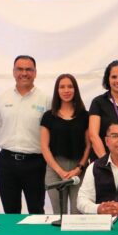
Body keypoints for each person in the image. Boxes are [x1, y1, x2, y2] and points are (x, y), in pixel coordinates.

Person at [0, 55, 50, 214]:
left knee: (36, 211)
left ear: (35, 73)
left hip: (35, 163)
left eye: (28, 69)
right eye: (20, 69)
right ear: (13, 72)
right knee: (10, 212)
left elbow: (50, 131)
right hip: (6, 162)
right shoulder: (2, 98)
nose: (24, 73)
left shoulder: (45, 99)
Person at [40, 74, 90, 215]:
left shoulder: (85, 116)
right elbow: (44, 147)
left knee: (77, 213)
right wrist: (60, 171)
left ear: (75, 90)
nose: (66, 90)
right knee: (59, 214)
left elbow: (88, 145)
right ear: (57, 90)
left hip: (79, 170)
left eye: (70, 86)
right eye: (62, 87)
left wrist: (79, 168)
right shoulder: (48, 116)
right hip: (55, 170)